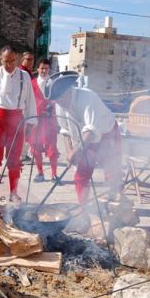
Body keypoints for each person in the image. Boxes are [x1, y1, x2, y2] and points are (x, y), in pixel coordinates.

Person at [46, 71, 122, 205]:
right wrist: (70, 151)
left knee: (111, 167)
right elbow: (65, 131)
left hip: (106, 133)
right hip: (85, 138)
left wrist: (77, 151)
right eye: (56, 100)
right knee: (81, 173)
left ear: (68, 90)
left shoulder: (87, 97)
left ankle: (117, 201)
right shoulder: (59, 105)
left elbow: (91, 130)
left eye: (60, 98)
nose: (59, 102)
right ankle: (83, 210)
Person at [0, 46, 37, 203]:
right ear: (0, 59)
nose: (9, 65)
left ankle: (14, 192)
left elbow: (30, 102)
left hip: (16, 121)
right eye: (6, 61)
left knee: (14, 159)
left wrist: (30, 125)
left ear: (16, 59)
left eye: (12, 61)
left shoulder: (24, 77)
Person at [30, 58, 59, 183]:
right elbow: (28, 101)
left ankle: (54, 175)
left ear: (49, 69)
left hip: (49, 121)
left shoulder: (54, 83)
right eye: (42, 68)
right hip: (36, 120)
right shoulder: (31, 83)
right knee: (36, 148)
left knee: (52, 148)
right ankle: (40, 173)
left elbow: (58, 100)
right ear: (37, 69)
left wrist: (52, 109)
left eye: (46, 68)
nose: (44, 70)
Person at [19, 51, 35, 163]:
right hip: (22, 106)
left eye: (32, 60)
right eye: (28, 59)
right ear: (22, 60)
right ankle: (20, 155)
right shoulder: (21, 72)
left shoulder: (28, 72)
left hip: (28, 105)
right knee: (22, 131)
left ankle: (23, 154)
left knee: (26, 131)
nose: (30, 62)